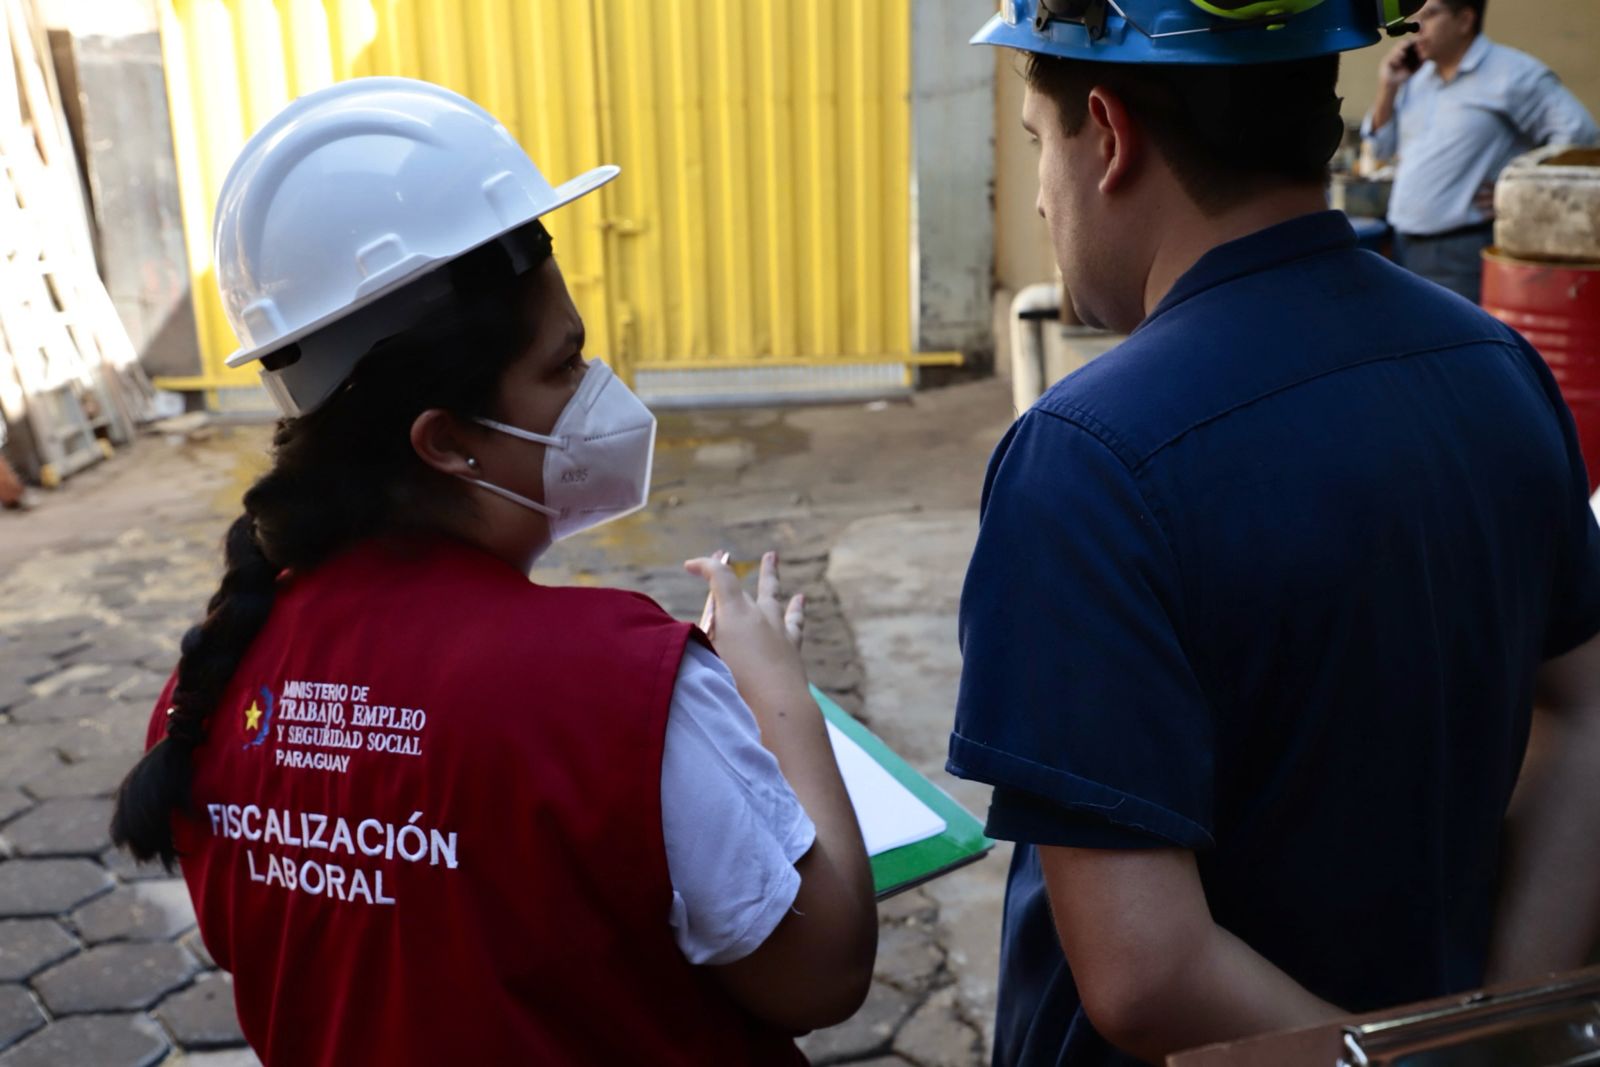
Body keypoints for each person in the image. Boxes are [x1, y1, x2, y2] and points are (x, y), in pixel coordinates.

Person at [109, 77, 875, 1066]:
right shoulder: (623, 689)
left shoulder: (200, 697)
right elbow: (821, 970)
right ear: (446, 442)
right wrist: (777, 695)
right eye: (564, 366)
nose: (599, 391)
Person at [946, 2, 1600, 1065]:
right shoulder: (1497, 367)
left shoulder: (1086, 458)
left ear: (1106, 134)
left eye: (1036, 142)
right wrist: (1492, 1028)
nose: (1036, 189)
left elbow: (1146, 973)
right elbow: (1589, 714)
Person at [1363, 0, 1599, 302]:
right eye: (1415, 15)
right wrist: (1388, 86)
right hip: (1401, 244)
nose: (1416, 27)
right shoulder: (1417, 77)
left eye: (1431, 14)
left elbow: (1580, 133)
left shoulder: (1511, 73)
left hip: (1459, 250)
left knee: (1452, 342)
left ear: (1465, 20)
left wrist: (1516, 188)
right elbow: (1380, 148)